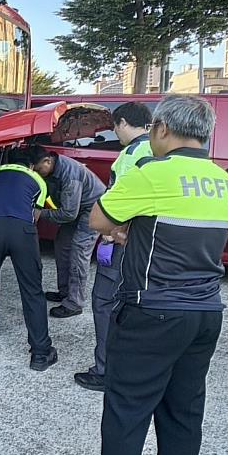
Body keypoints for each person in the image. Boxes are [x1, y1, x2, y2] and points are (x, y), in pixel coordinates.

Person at [71, 95, 228, 455]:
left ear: (162, 129)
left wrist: (125, 229)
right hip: (206, 313)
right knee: (184, 412)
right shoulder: (222, 180)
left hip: (152, 312)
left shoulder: (151, 173)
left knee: (127, 410)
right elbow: (184, 233)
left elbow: (99, 218)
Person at [75, 102, 153, 392]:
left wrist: (110, 233)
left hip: (123, 242)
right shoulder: (160, 152)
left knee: (105, 302)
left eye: (114, 127)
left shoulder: (130, 155)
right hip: (149, 245)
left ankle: (105, 371)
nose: (114, 133)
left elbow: (116, 205)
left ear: (121, 122)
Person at [0, 148, 58, 371]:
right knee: (32, 290)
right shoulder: (37, 180)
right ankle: (41, 353)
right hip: (21, 230)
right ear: (31, 165)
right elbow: (35, 214)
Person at [32, 146, 105, 318]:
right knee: (62, 245)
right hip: (77, 209)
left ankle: (74, 303)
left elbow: (68, 214)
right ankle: (65, 292)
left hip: (92, 209)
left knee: (79, 251)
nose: (36, 172)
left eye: (37, 168)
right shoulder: (51, 170)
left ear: (47, 161)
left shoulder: (69, 174)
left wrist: (40, 213)